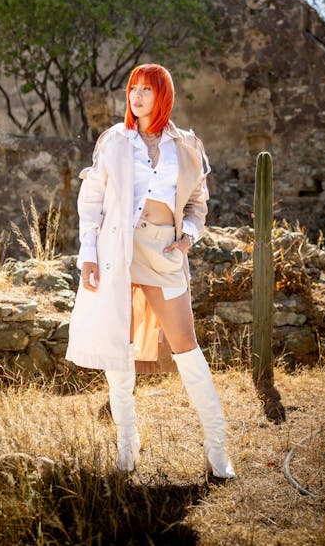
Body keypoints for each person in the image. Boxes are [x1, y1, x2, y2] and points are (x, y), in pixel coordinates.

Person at [65, 63, 234, 478]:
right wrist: (88, 253)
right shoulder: (115, 141)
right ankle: (128, 448)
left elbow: (197, 200)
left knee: (187, 347)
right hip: (116, 250)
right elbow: (91, 201)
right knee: (118, 352)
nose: (136, 96)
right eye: (132, 89)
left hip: (162, 251)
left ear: (164, 95)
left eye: (147, 89)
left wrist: (188, 235)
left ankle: (218, 452)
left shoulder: (187, 145)